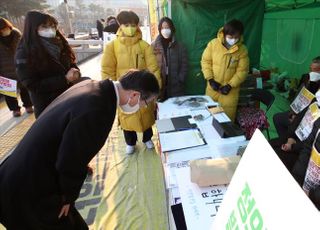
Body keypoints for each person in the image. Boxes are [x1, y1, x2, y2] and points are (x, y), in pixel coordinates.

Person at [0, 70, 160, 229]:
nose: (142, 107)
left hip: (22, 172)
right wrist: (68, 197)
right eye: (145, 103)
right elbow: (70, 160)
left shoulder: (93, 86)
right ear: (134, 95)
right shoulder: (98, 110)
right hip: (29, 189)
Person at [101, 10, 161, 154]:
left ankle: (147, 138)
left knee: (146, 116)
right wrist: (109, 91)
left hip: (143, 90)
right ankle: (130, 142)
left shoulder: (144, 46)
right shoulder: (112, 46)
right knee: (126, 116)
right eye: (126, 24)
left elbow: (154, 68)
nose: (130, 27)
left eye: (133, 25)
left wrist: (155, 87)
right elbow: (107, 70)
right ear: (120, 25)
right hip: (124, 90)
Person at [15, 10, 81, 118]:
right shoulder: (24, 52)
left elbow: (71, 63)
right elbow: (32, 84)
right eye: (44, 26)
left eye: (52, 26)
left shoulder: (60, 43)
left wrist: (75, 72)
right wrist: (65, 79)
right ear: (33, 29)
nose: (50, 30)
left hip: (69, 99)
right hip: (47, 106)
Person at [201, 19, 249, 122]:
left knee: (225, 121)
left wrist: (230, 85)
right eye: (231, 37)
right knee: (209, 118)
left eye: (236, 37)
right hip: (213, 89)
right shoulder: (213, 44)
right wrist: (210, 80)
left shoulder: (242, 50)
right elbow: (205, 62)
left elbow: (242, 71)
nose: (233, 40)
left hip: (230, 92)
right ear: (224, 33)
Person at [273, 56, 320, 138]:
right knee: (277, 118)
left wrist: (297, 116)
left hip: (308, 119)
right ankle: (285, 140)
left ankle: (288, 141)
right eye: (311, 67)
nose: (311, 70)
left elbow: (313, 106)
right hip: (297, 112)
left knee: (279, 119)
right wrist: (292, 112)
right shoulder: (305, 77)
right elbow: (298, 98)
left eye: (315, 69)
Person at [0, 17, 33, 117]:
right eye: (1, 29)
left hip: (20, 66)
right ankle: (15, 109)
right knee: (9, 92)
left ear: (8, 26)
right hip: (4, 69)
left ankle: (28, 105)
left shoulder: (16, 33)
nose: (4, 31)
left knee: (25, 88)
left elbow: (25, 47)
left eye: (5, 27)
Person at [151, 17, 188, 101]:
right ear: (159, 29)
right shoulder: (153, 46)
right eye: (162, 28)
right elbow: (150, 65)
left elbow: (184, 65)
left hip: (176, 86)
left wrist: (180, 79)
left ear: (172, 28)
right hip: (160, 84)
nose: (165, 30)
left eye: (167, 27)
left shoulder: (180, 46)